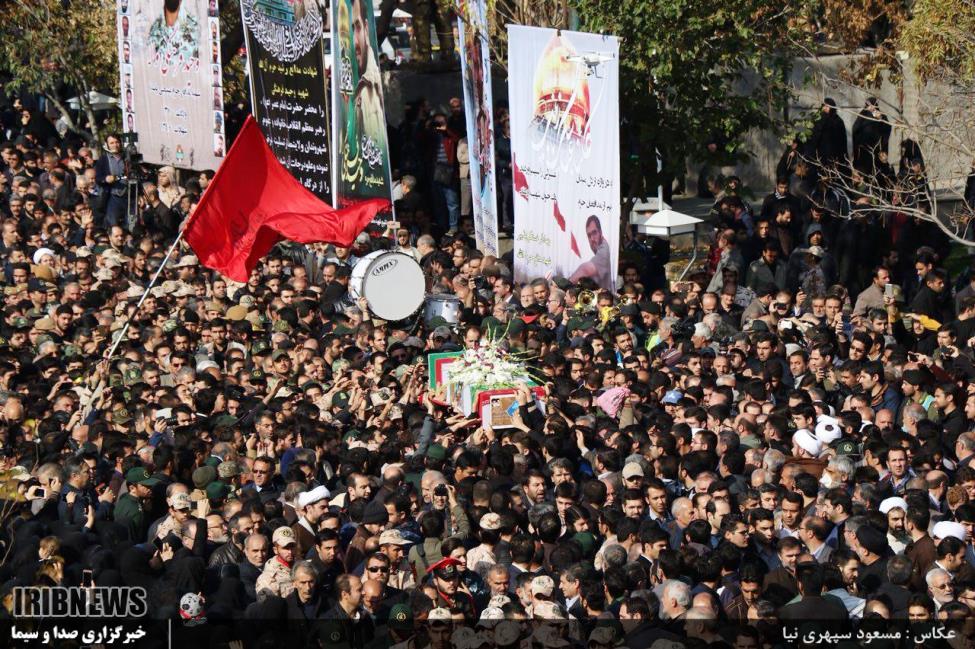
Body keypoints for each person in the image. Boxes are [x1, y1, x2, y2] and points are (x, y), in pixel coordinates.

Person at [569, 215, 612, 289]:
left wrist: (566, 285)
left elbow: (585, 270)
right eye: (589, 235)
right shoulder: (600, 249)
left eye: (594, 233)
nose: (592, 239)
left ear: (600, 232)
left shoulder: (604, 249)